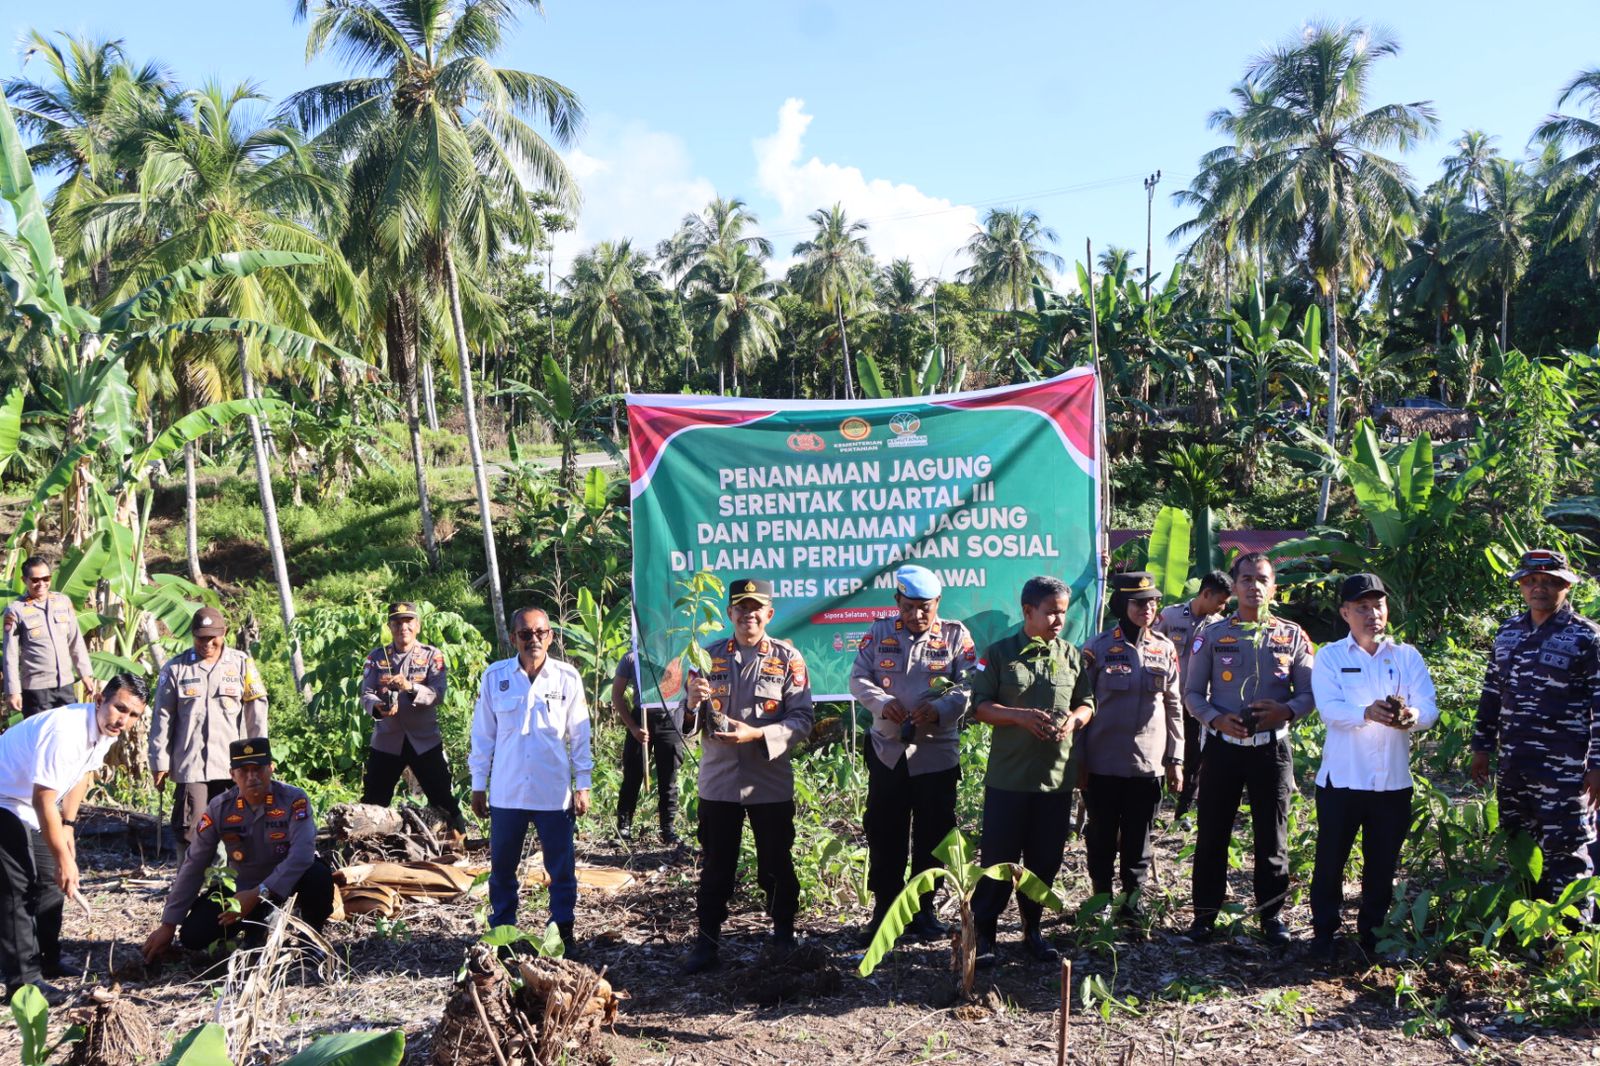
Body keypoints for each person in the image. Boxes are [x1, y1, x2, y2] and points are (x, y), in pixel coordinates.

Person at [680, 578, 814, 975]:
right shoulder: (706, 657)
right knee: (717, 864)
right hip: (719, 781)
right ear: (730, 614)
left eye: (757, 608)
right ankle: (706, 944)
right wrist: (690, 704)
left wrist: (757, 734)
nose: (749, 615)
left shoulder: (790, 660)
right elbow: (686, 726)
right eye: (741, 607)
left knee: (775, 862)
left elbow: (802, 720)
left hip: (767, 781)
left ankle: (784, 936)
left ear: (769, 614)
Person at [1184, 552, 1315, 945]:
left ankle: (1271, 916)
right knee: (1212, 835)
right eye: (1245, 579)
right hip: (1223, 749)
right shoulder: (1212, 634)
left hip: (1271, 751)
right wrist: (1215, 719)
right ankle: (1204, 917)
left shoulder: (1291, 635)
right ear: (1235, 585)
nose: (1253, 586)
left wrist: (1287, 711)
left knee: (1271, 837)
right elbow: (1191, 693)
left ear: (1273, 587)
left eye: (1261, 579)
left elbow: (1309, 694)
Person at [1308, 573, 1438, 962]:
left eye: (1377, 605)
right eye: (1361, 608)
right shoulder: (1331, 656)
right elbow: (1329, 710)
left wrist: (1410, 715)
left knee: (1382, 864)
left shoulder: (1406, 656)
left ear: (1387, 610)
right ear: (1345, 612)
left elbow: (1429, 708)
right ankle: (1323, 934)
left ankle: (1373, 934)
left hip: (1392, 782)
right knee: (1331, 860)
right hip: (1342, 781)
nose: (1371, 614)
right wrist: (1366, 712)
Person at [969, 575, 1095, 966]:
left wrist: (1074, 720)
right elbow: (980, 707)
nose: (1058, 620)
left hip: (1055, 780)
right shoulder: (1001, 653)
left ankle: (1031, 932)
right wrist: (1019, 716)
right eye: (1051, 612)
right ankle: (984, 937)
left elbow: (1086, 702)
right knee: (998, 861)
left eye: (1063, 612)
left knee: (1043, 862)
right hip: (1009, 780)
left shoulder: (1071, 656)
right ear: (1028, 611)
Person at [848, 564, 976, 944]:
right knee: (885, 831)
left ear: (938, 603)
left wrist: (940, 709)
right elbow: (858, 677)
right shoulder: (879, 632)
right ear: (896, 601)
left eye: (925, 607)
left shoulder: (955, 636)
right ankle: (885, 909)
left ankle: (923, 910)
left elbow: (968, 685)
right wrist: (882, 702)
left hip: (936, 754)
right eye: (908, 607)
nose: (917, 615)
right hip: (888, 752)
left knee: (933, 834)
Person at [0, 675, 146, 1004]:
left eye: (133, 715)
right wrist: (66, 859)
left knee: (51, 881)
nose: (124, 720)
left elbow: (83, 773)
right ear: (99, 700)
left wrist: (67, 826)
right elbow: (42, 799)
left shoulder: (106, 730)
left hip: (26, 803)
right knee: (18, 883)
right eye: (119, 708)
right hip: (5, 798)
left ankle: (47, 959)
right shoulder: (66, 732)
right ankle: (22, 984)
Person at [1471, 549, 1600, 908]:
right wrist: (1481, 748)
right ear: (1521, 586)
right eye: (1531, 581)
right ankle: (1531, 929)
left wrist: (1598, 766)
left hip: (1566, 770)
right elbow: (1492, 694)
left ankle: (1573, 934)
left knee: (1567, 851)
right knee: (1520, 847)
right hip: (1515, 765)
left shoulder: (1586, 637)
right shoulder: (1508, 633)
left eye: (1549, 581)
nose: (1538, 588)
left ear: (1567, 587)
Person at [141, 737, 334, 960]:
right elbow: (195, 864)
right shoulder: (220, 808)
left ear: (271, 769)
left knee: (318, 875)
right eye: (244, 771)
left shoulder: (293, 800)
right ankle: (258, 924)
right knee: (192, 936)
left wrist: (259, 893)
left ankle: (311, 937)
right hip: (242, 888)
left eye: (258, 769)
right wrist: (168, 924)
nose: (252, 777)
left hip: (289, 884)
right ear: (233, 775)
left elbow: (301, 855)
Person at [469, 607, 591, 959]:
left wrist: (583, 784)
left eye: (540, 632)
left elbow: (579, 735)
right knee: (503, 870)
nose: (533, 639)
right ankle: (503, 936)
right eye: (525, 634)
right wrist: (480, 784)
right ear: (514, 639)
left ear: (551, 636)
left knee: (561, 869)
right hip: (508, 792)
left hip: (553, 793)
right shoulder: (496, 677)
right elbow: (483, 735)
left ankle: (562, 934)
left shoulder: (566, 677)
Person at [1079, 572, 1183, 923]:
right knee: (1102, 833)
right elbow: (1081, 703)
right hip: (1102, 762)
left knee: (1139, 837)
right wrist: (1079, 760)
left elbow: (1173, 706)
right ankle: (1101, 898)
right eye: (1140, 602)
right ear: (1122, 605)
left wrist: (1176, 760)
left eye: (1153, 602)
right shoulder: (1097, 648)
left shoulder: (1164, 648)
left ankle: (1131, 902)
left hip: (1147, 764)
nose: (1148, 608)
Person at [149, 607, 269, 851]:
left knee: (235, 829)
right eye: (201, 638)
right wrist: (159, 762)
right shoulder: (176, 669)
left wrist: (260, 758)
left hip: (231, 767)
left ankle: (228, 887)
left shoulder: (241, 664)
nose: (207, 643)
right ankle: (190, 886)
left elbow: (256, 711)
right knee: (190, 831)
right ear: (192, 635)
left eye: (212, 637)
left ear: (224, 633)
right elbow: (162, 717)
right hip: (191, 766)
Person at [358, 602, 465, 836]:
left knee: (442, 797)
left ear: (417, 625)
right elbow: (366, 693)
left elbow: (437, 695)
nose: (402, 627)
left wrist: (410, 687)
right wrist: (377, 707)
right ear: (389, 626)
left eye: (408, 622)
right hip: (387, 741)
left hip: (424, 741)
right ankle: (364, 845)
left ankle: (460, 840)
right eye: (397, 622)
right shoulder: (376, 658)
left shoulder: (431, 656)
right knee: (374, 801)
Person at [1154, 570, 1233, 817]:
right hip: (1167, 700)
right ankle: (1154, 805)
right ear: (1206, 593)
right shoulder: (1170, 615)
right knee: (1159, 751)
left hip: (1197, 702)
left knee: (1195, 757)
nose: (1222, 608)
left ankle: (1184, 810)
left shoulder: (1218, 626)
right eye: (1220, 601)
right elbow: (1152, 644)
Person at [3, 556, 96, 720]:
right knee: (41, 739)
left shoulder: (62, 602)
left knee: (68, 733)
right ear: (24, 580)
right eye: (35, 580)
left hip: (65, 686)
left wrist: (85, 674)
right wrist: (13, 691)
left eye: (46, 579)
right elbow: (10, 655)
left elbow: (76, 641)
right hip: (36, 690)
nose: (41, 584)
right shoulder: (16, 610)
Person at [613, 648, 684, 847]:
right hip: (641, 718)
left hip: (671, 718)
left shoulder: (679, 653)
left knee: (668, 777)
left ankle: (668, 829)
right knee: (632, 774)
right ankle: (624, 826)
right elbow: (616, 696)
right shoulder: (631, 657)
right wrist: (634, 727)